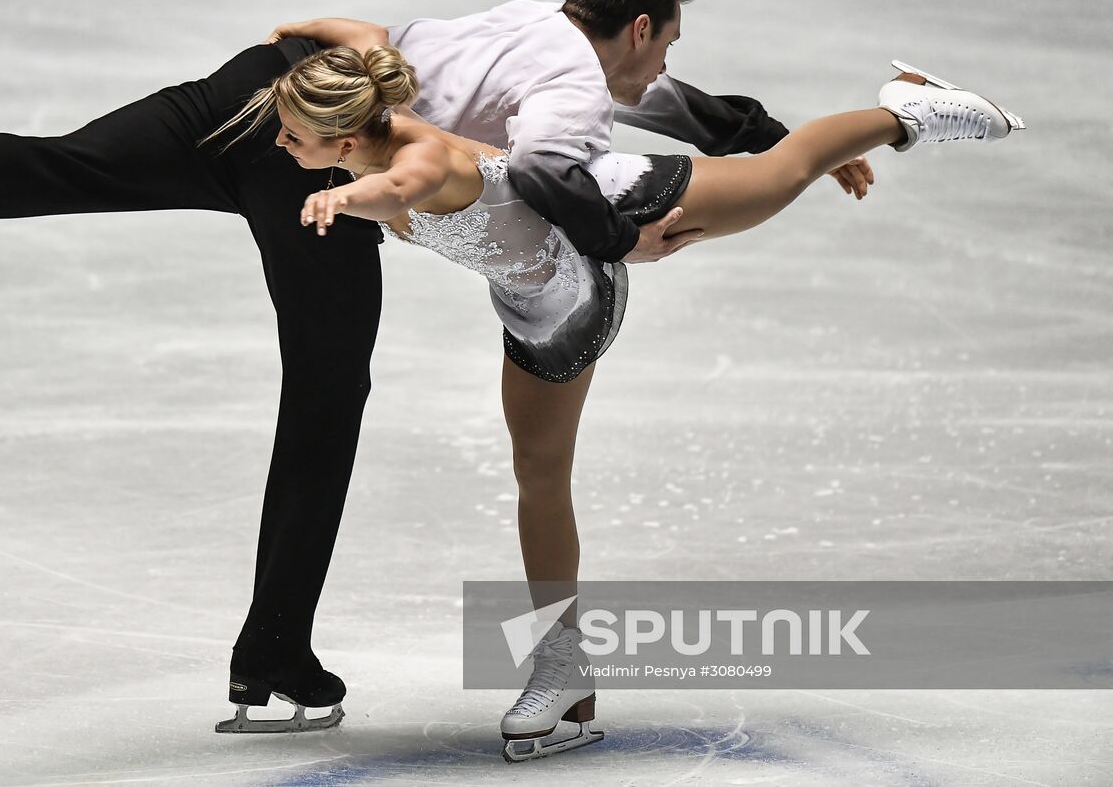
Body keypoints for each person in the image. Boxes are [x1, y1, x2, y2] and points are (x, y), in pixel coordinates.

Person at [0, 0, 794, 732]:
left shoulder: (519, 21)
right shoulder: (568, 87)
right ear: (643, 29)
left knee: (66, 163)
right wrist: (641, 227)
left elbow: (654, 96)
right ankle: (273, 649)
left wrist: (747, 128)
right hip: (322, 162)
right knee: (326, 396)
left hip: (260, 85)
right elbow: (560, 167)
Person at [218, 42, 1023, 759]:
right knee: (538, 472)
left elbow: (405, 184)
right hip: (539, 293)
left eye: (293, 135)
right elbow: (362, 50)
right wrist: (300, 31)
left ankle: (909, 110)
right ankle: (561, 665)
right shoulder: (377, 129)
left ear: (348, 141)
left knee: (779, 175)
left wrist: (339, 201)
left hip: (592, 244)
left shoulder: (415, 165)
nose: (281, 143)